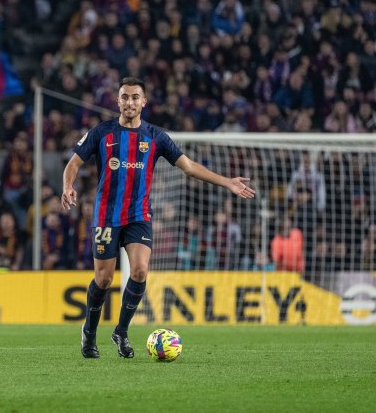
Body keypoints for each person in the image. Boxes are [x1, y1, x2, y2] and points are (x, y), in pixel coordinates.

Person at [61, 77, 255, 359]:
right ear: (118, 101)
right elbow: (74, 163)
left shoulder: (156, 136)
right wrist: (68, 185)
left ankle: (121, 332)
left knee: (140, 271)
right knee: (103, 279)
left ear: (144, 102)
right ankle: (89, 331)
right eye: (125, 97)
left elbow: (188, 167)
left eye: (135, 97)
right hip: (106, 216)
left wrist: (227, 182)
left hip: (139, 214)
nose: (129, 102)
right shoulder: (101, 132)